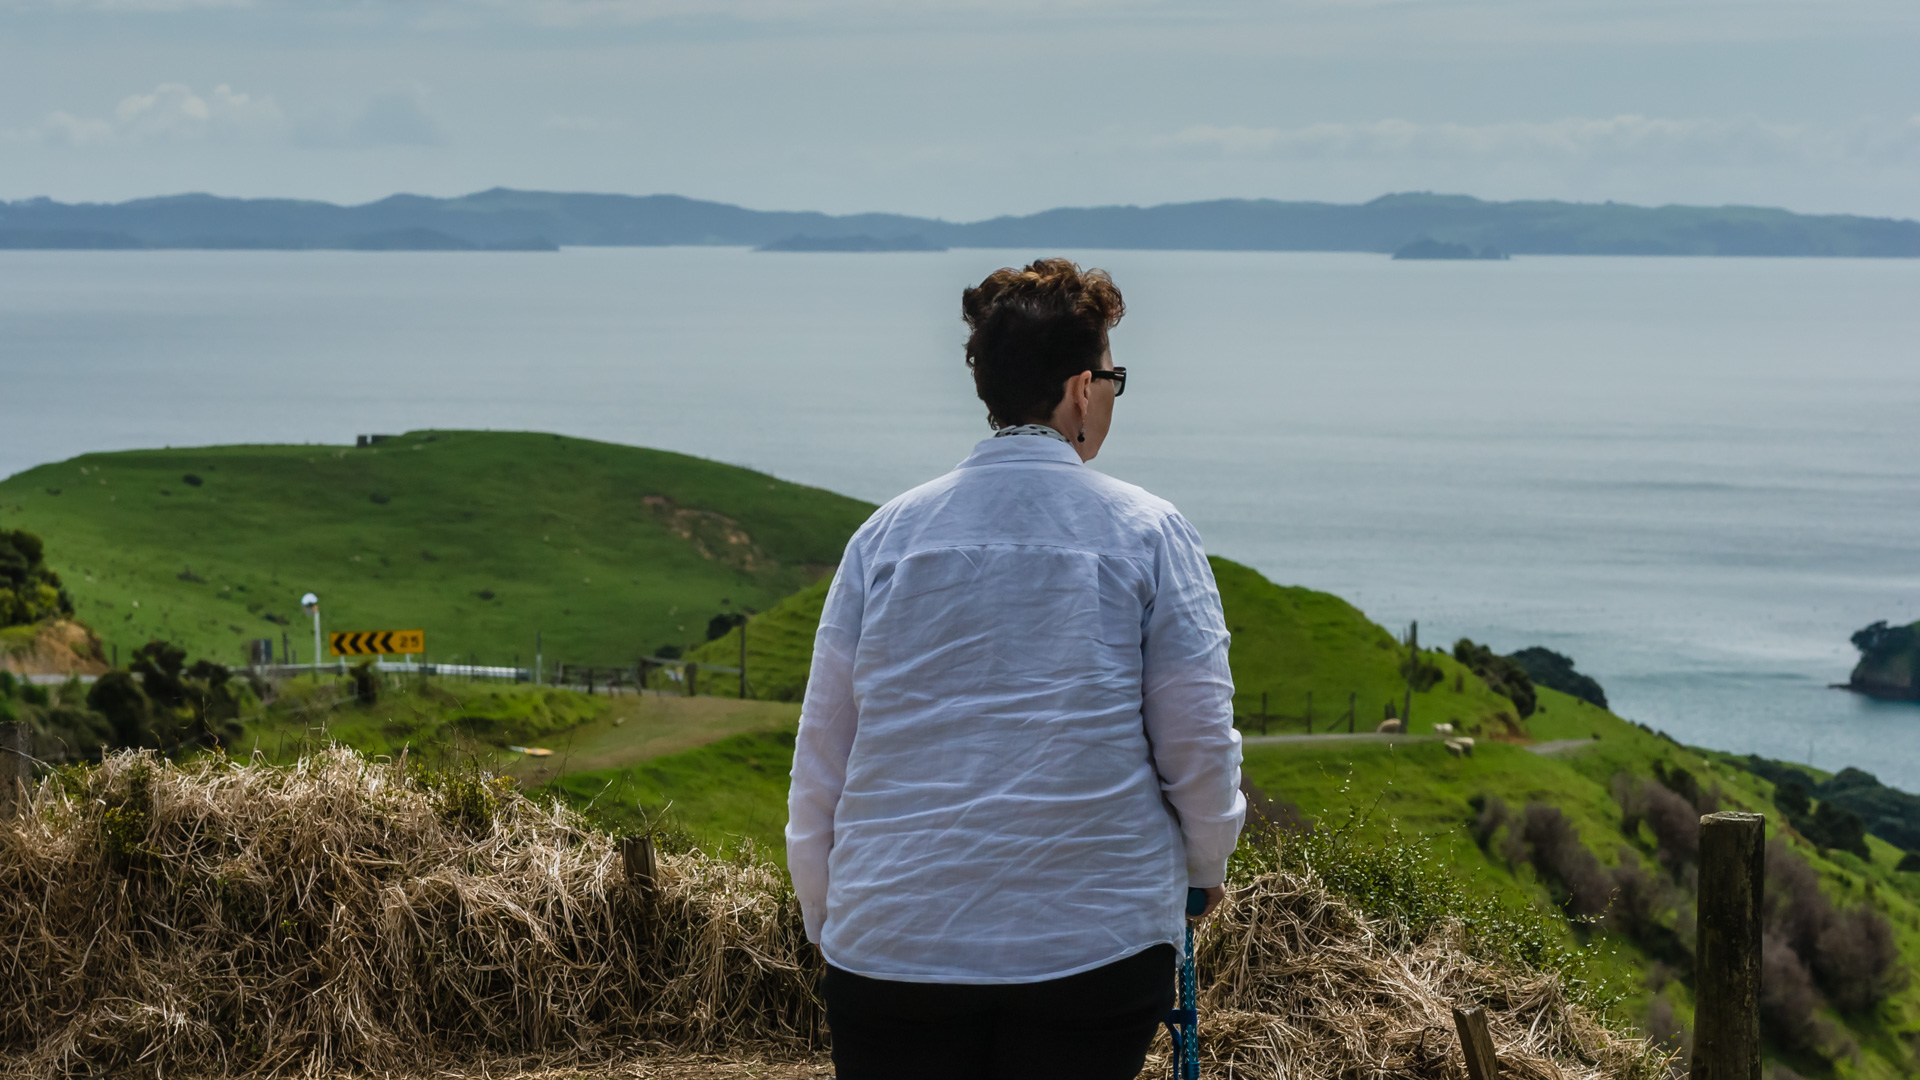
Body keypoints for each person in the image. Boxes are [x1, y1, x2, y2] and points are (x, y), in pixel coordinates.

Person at [787, 258, 1245, 1080]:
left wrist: (829, 917)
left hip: (892, 945)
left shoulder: (885, 538)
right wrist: (1205, 868)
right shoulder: (1148, 533)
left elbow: (823, 754)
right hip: (1092, 945)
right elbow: (1200, 741)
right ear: (1080, 390)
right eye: (1111, 378)